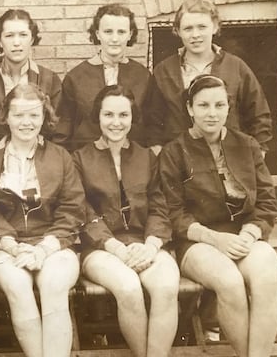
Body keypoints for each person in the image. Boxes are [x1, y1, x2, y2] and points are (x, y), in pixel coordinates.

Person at [159, 74, 277, 357]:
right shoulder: (174, 152)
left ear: (228, 107)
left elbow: (266, 201)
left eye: (219, 105)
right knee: (229, 282)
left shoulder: (247, 145)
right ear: (190, 109)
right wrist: (215, 239)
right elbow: (174, 214)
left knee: (267, 275)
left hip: (244, 234)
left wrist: (250, 234)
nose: (211, 113)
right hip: (198, 242)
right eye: (203, 106)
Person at [73, 85, 178, 357]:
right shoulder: (81, 159)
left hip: (146, 243)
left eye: (123, 115)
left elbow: (160, 205)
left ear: (133, 118)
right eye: (108, 114)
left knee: (166, 287)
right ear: (98, 117)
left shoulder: (147, 157)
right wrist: (117, 248)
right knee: (129, 288)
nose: (116, 122)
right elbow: (83, 211)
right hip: (101, 249)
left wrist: (152, 246)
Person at [0, 83, 84, 357]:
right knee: (18, 285)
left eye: (34, 115)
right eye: (18, 115)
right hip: (5, 246)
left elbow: (73, 208)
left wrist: (44, 248)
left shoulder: (60, 156)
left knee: (54, 285)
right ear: (5, 117)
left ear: (45, 117)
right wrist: (13, 246)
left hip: (54, 244)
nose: (26, 122)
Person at [145, 0, 272, 153]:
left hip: (229, 157)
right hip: (180, 161)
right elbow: (153, 124)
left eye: (202, 27)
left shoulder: (235, 66)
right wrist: (161, 156)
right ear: (177, 31)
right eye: (188, 28)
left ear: (214, 27)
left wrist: (256, 156)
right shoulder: (164, 70)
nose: (195, 34)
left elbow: (259, 117)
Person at [55, 3, 151, 151]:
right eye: (108, 31)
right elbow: (64, 128)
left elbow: (152, 125)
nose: (114, 38)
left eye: (121, 32)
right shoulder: (76, 77)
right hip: (87, 161)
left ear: (130, 34)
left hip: (131, 159)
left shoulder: (142, 75)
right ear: (98, 34)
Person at [0, 9, 62, 148]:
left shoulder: (49, 79)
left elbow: (57, 129)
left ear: (32, 39)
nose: (17, 42)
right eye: (9, 35)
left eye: (23, 35)